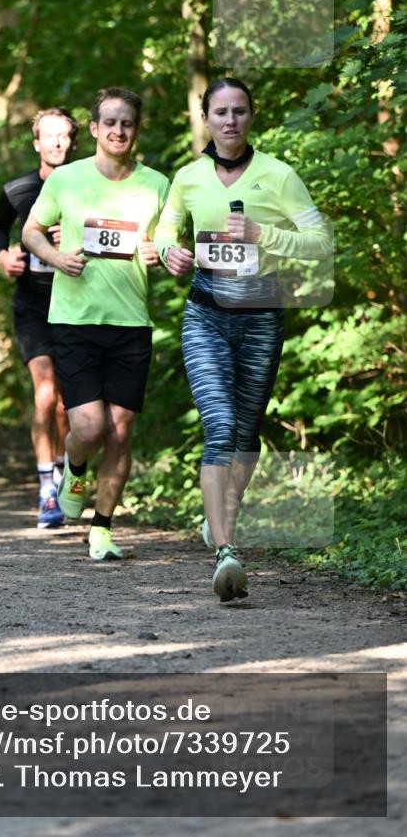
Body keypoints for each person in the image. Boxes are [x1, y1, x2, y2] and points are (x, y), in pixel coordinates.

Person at [155, 76, 332, 601]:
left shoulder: (278, 175)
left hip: (260, 316)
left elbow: (321, 242)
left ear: (251, 116)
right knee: (220, 425)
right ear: (206, 119)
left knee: (247, 431)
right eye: (220, 112)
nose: (230, 120)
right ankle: (226, 550)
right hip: (205, 315)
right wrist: (169, 253)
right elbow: (165, 232)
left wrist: (263, 235)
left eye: (239, 111)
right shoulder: (188, 177)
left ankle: (219, 517)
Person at [22, 87, 169, 560]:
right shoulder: (67, 180)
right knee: (87, 427)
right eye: (110, 122)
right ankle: (75, 467)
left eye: (127, 123)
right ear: (94, 128)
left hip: (131, 322)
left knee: (120, 432)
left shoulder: (157, 184)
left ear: (136, 129)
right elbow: (30, 230)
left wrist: (159, 252)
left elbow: (166, 242)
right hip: (75, 320)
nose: (118, 131)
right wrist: (55, 257)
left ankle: (102, 528)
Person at [0, 108, 78, 529]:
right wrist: (4, 257)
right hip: (33, 303)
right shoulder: (18, 189)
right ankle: (46, 491)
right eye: (49, 135)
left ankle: (60, 474)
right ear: (36, 142)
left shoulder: (88, 186)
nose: (56, 142)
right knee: (44, 393)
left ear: (73, 142)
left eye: (64, 136)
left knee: (65, 405)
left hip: (77, 301)